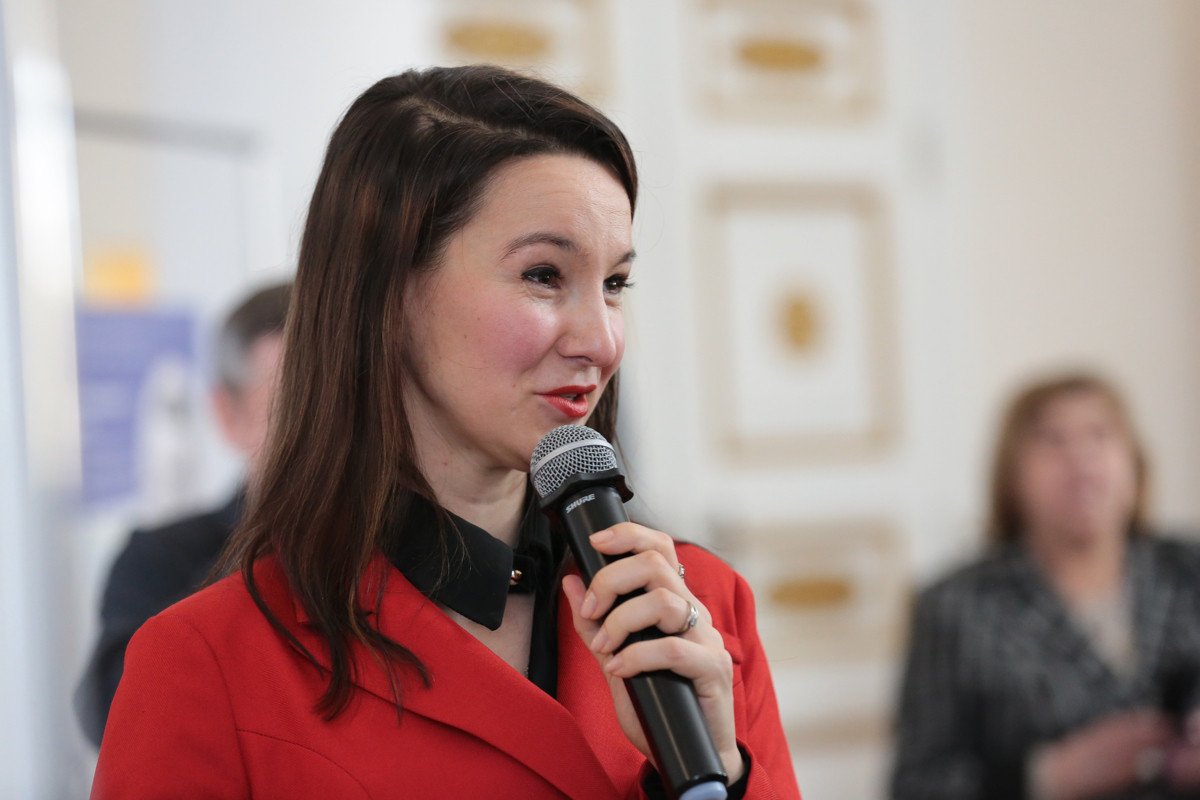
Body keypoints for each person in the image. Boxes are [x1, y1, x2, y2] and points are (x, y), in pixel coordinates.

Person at [90, 66, 800, 799]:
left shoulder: (697, 604)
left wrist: (723, 775)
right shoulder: (207, 662)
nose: (602, 341)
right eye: (543, 275)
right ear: (387, 293)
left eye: (614, 284)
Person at [892, 373, 1200, 800]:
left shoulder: (1187, 571)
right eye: (1053, 440)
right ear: (1012, 474)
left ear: (1135, 462)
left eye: (1100, 434)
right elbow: (916, 786)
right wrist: (1046, 777)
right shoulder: (956, 606)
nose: (1081, 458)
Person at [74, 281, 290, 747]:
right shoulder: (162, 559)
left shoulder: (401, 548)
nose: (327, 431)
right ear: (228, 414)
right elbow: (112, 713)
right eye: (292, 406)